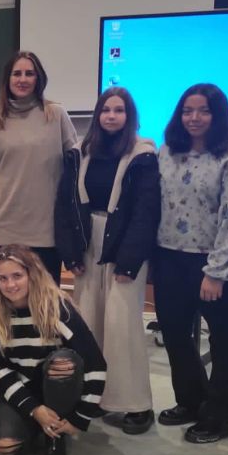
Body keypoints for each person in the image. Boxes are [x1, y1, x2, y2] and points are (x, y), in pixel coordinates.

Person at [55, 86, 160, 435]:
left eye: (119, 110)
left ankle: (135, 404)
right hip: (88, 242)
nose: (111, 116)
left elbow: (146, 212)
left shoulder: (143, 156)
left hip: (123, 248)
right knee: (88, 323)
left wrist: (129, 262)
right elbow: (66, 205)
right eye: (106, 110)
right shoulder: (80, 154)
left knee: (121, 326)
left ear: (129, 116)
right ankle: (95, 395)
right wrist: (71, 253)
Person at [153, 83, 228, 443]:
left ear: (217, 115)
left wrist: (216, 272)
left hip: (211, 264)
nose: (194, 117)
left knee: (223, 339)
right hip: (168, 257)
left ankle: (221, 415)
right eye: (187, 110)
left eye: (204, 111)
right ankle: (192, 401)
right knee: (174, 333)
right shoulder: (167, 152)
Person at [0, 246, 106, 455]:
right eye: (3, 278)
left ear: (32, 274)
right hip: (21, 389)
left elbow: (96, 364)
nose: (10, 285)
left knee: (62, 362)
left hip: (57, 386)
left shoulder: (57, 306)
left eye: (17, 276)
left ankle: (55, 436)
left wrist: (80, 418)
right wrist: (34, 409)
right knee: (6, 448)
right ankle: (38, 425)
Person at [0, 51, 78, 278]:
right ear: (7, 79)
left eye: (29, 74)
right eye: (17, 74)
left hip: (47, 233)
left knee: (46, 298)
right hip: (4, 231)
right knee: (8, 297)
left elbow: (76, 167)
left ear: (38, 78)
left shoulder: (56, 115)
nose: (23, 79)